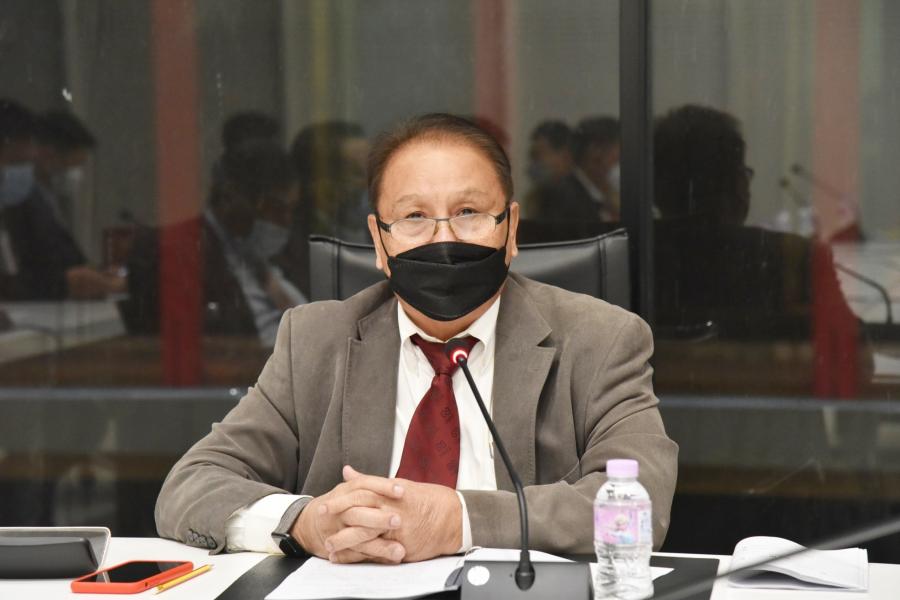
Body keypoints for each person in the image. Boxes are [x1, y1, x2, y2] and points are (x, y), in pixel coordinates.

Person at [155, 114, 677, 562]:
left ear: (511, 228)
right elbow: (192, 484)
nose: (444, 239)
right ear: (379, 242)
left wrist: (460, 521)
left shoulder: (600, 340)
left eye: (469, 213)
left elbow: (640, 507)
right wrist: (303, 522)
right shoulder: (315, 342)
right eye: (414, 218)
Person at [652, 104, 871, 396]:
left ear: (656, 188)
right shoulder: (791, 257)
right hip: (771, 419)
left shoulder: (627, 257)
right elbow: (854, 361)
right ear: (734, 184)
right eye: (744, 173)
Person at [125, 140, 305, 346]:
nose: (285, 221)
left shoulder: (261, 255)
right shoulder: (173, 252)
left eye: (291, 209)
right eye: (274, 207)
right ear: (230, 195)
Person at [0, 100, 122, 300]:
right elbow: (20, 274)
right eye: (15, 163)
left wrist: (91, 274)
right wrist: (65, 283)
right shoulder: (19, 201)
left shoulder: (42, 198)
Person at [529, 116, 621, 240]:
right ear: (596, 152)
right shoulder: (563, 199)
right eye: (618, 158)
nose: (619, 165)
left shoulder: (601, 199)